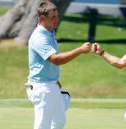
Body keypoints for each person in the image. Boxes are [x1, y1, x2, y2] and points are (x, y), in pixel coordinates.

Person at [26, 1, 91, 129]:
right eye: (53, 17)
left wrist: (55, 78)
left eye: (57, 16)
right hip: (42, 87)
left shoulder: (49, 32)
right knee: (42, 125)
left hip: (52, 84)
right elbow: (55, 59)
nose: (56, 20)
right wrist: (80, 50)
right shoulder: (40, 37)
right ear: (42, 18)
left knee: (59, 121)